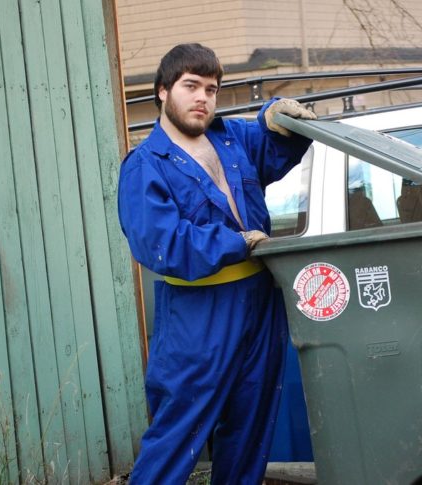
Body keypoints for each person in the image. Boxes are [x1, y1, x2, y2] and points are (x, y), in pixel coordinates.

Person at [118, 43, 316, 485]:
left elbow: (276, 145)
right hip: (198, 312)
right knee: (177, 434)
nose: (202, 98)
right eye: (191, 86)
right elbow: (160, 243)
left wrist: (273, 114)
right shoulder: (145, 166)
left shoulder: (231, 138)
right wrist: (235, 243)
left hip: (259, 304)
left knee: (250, 428)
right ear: (163, 92)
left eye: (212, 88)